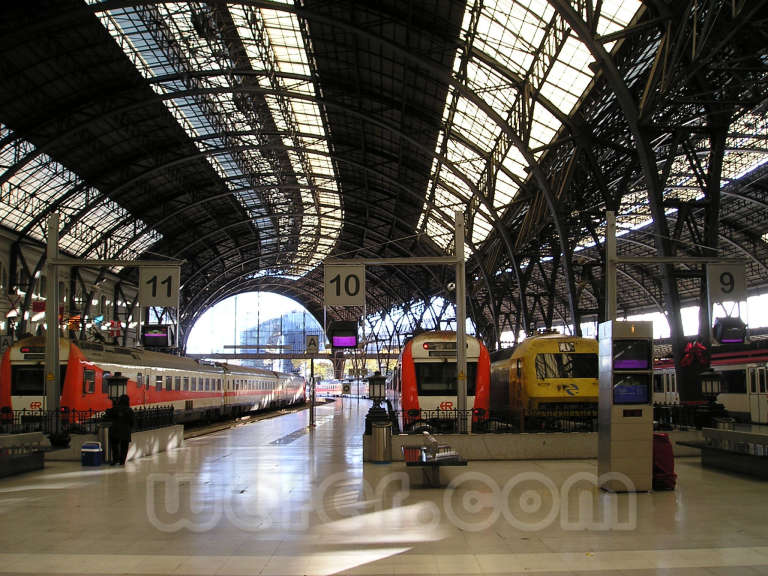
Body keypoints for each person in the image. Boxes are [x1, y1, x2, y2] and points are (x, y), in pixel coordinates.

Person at [108, 394, 134, 465]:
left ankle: (115, 460)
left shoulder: (115, 409)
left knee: (115, 446)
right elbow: (132, 421)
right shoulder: (129, 410)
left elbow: (108, 415)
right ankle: (122, 461)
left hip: (115, 430)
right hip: (126, 431)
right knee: (124, 447)